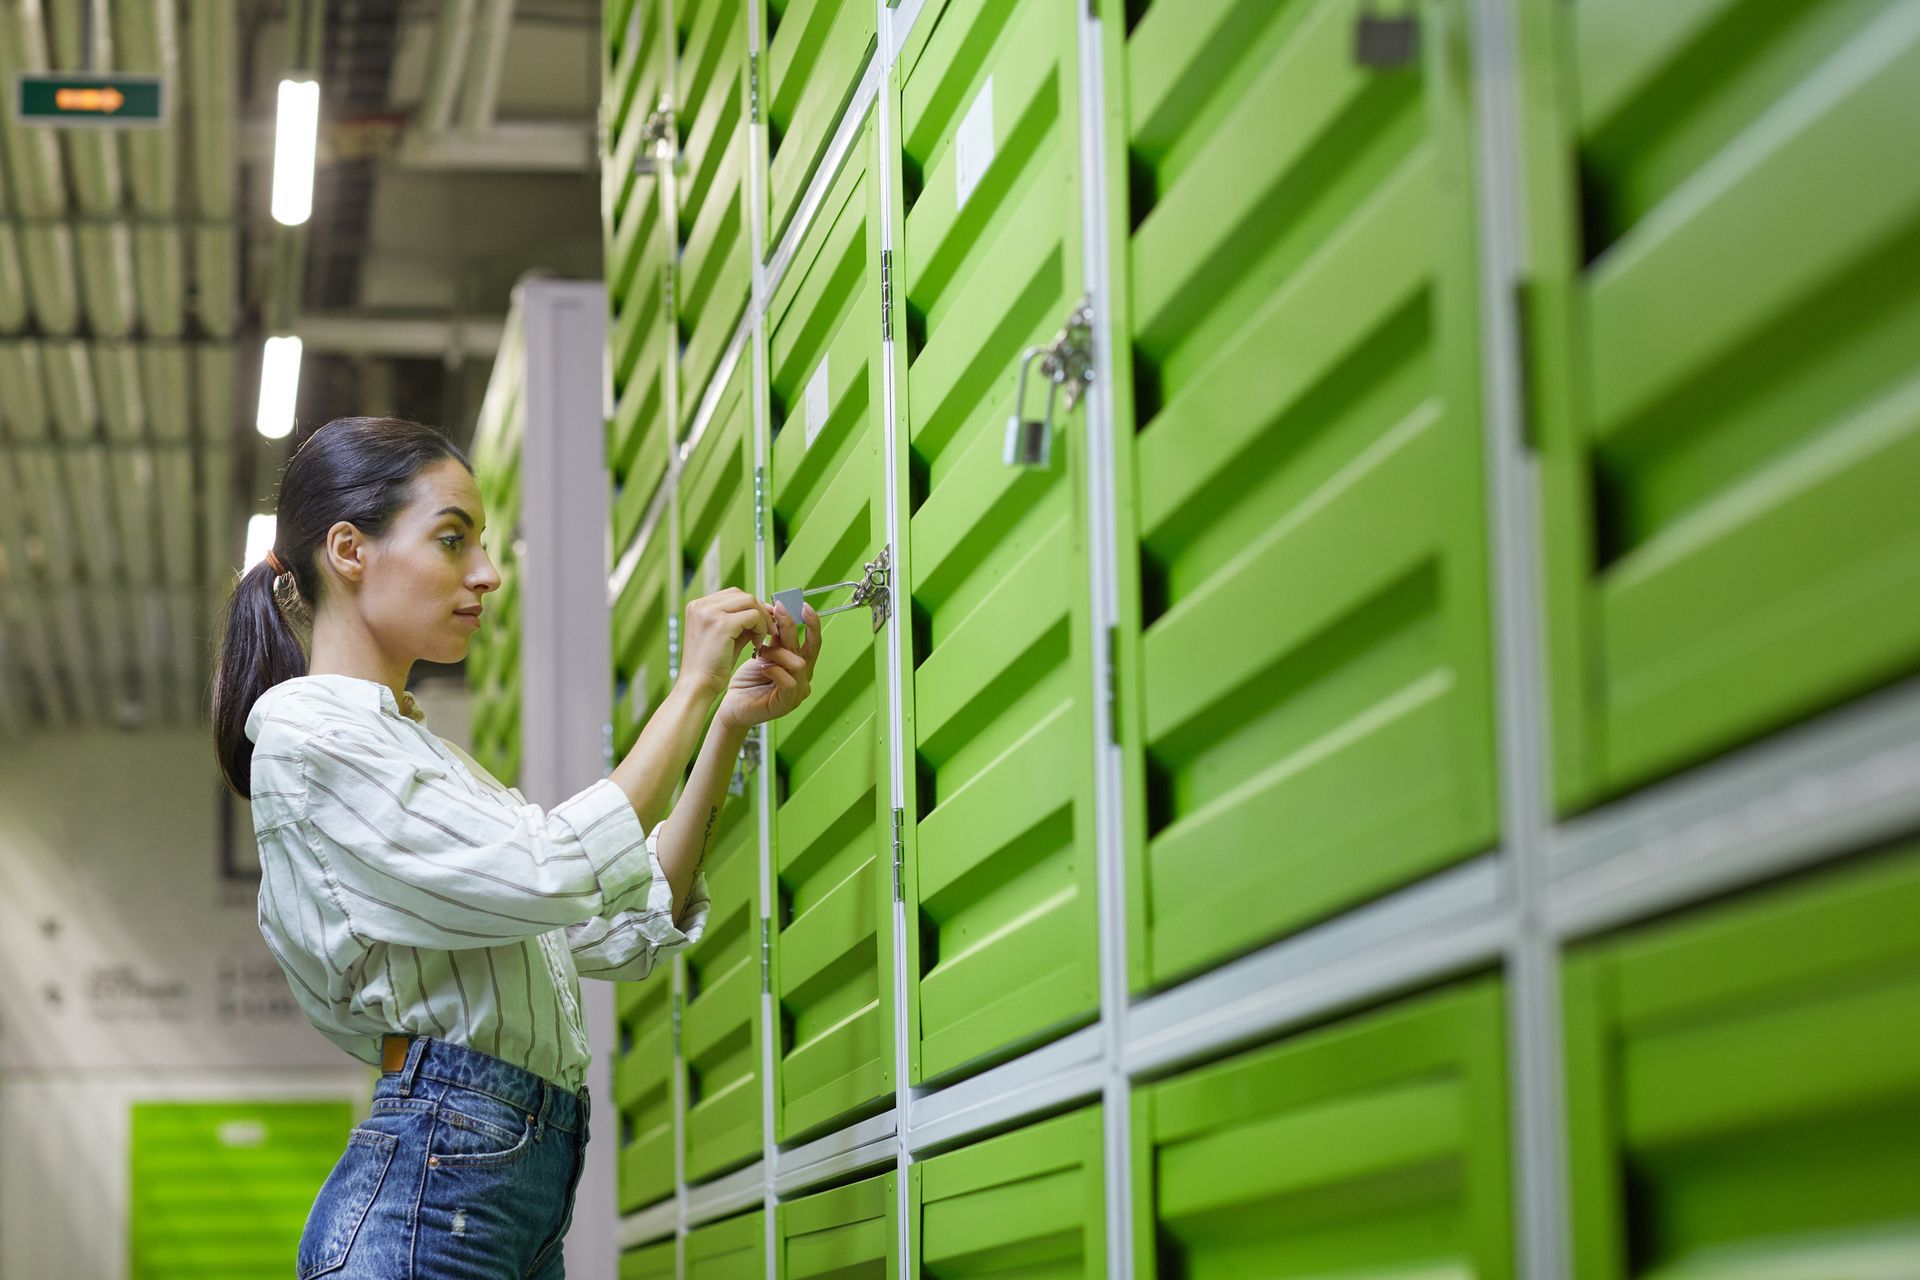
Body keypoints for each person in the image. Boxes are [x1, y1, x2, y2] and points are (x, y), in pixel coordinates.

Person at [209, 416, 820, 1278]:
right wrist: (691, 684)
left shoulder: (429, 760)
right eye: (453, 540)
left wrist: (722, 725)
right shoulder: (313, 738)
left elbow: (614, 929)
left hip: (500, 1183)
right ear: (350, 550)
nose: (487, 575)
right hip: (438, 1185)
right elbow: (554, 868)